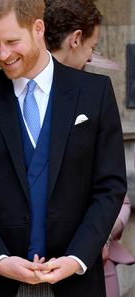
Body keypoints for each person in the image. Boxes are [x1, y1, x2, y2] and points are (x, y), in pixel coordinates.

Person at [0, 0, 127, 296]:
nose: (3, 54)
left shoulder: (95, 93)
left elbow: (110, 186)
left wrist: (77, 258)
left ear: (38, 28)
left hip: (76, 281)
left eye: (12, 41)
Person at [44, 1, 135, 296]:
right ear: (75, 39)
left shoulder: (97, 92)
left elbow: (113, 187)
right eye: (91, 47)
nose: (90, 57)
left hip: (88, 264)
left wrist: (99, 237)